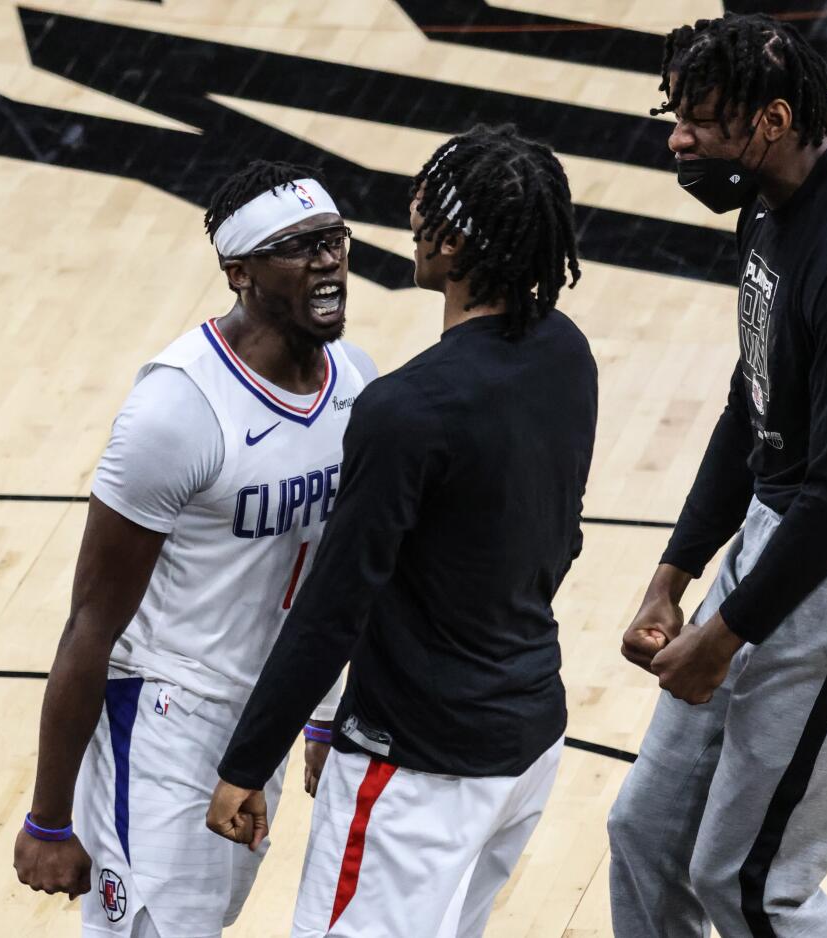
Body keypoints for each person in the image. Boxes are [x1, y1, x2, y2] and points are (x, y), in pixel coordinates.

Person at [607, 13, 827, 938]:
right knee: (645, 833)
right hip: (788, 529)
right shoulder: (767, 205)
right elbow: (752, 398)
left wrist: (724, 636)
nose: (677, 137)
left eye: (700, 119)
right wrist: (672, 577)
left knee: (752, 883)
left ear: (771, 120)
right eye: (674, 112)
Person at [204, 124, 598, 938]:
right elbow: (563, 542)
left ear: (452, 245)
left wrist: (248, 763)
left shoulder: (407, 409)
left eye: (425, 210)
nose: (409, 219)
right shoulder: (567, 351)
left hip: (418, 767)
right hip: (525, 742)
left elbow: (334, 607)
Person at [12, 160, 377, 938]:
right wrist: (48, 818)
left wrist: (318, 710)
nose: (326, 258)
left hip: (264, 712)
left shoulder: (354, 380)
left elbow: (336, 572)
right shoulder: (176, 409)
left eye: (332, 237)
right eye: (296, 246)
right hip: (169, 716)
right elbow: (90, 624)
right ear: (241, 274)